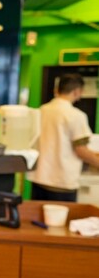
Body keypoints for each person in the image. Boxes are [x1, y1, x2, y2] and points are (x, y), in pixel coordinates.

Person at [28, 73, 99, 202]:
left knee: (37, 219)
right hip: (62, 182)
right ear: (78, 91)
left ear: (56, 90)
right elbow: (81, 150)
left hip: (39, 179)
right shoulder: (76, 115)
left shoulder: (41, 110)